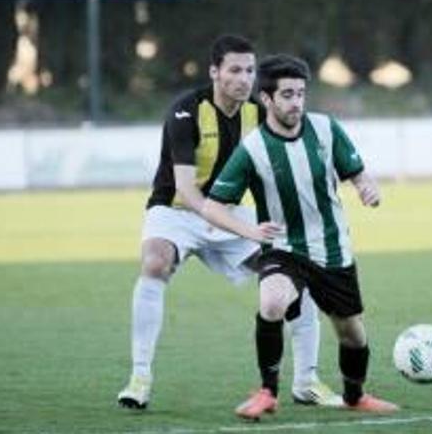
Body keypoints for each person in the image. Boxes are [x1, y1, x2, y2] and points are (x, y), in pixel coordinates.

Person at [117, 34, 341, 411]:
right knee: (155, 262)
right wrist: (246, 229)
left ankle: (306, 381)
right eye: (234, 70)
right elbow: (188, 191)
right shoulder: (186, 111)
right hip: (175, 211)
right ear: (215, 72)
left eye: (250, 70)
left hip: (230, 214)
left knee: (296, 273)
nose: (244, 78)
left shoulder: (259, 114)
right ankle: (139, 377)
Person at [200, 53, 398, 420]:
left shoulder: (325, 129)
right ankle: (267, 392)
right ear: (267, 99)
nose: (296, 102)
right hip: (284, 248)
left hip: (332, 250)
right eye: (287, 95)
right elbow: (212, 206)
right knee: (272, 302)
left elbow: (358, 173)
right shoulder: (253, 149)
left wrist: (367, 189)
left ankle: (355, 396)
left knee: (352, 334)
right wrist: (250, 231)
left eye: (301, 94)